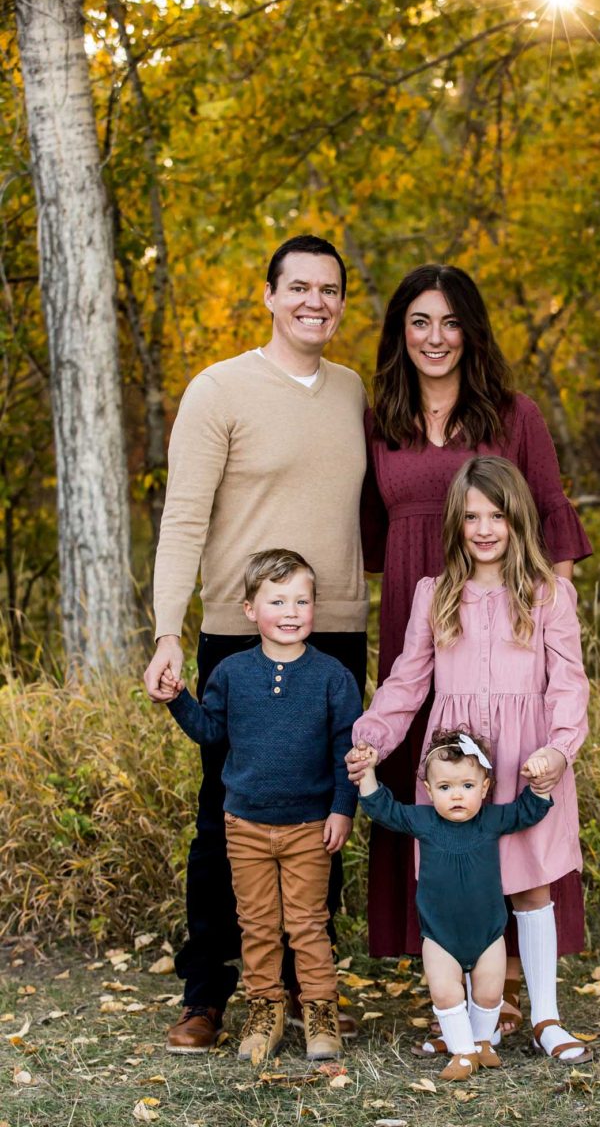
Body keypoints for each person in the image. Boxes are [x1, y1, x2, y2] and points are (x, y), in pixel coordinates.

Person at [144, 235, 369, 1054]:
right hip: (239, 640)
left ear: (343, 301)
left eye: (331, 289)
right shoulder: (219, 390)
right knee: (224, 816)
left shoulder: (353, 393)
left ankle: (311, 992)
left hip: (337, 634)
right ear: (269, 296)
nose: (316, 301)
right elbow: (184, 520)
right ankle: (208, 992)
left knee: (325, 820)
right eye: (299, 287)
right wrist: (169, 629)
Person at [360, 264, 592, 1033]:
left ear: (472, 330)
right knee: (441, 806)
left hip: (514, 624)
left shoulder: (512, 413)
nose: (435, 337)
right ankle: (455, 988)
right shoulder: (381, 414)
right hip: (424, 604)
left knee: (520, 847)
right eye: (420, 322)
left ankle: (521, 997)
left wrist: (548, 606)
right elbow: (364, 523)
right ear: (401, 330)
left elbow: (548, 513)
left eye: (451, 321)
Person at [350, 455, 592, 1064]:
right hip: (458, 766)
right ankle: (459, 1021)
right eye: (471, 517)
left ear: (518, 521)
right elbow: (407, 680)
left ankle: (545, 1018)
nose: (484, 529)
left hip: (527, 758)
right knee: (453, 886)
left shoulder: (547, 595)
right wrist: (374, 735)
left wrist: (560, 750)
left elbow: (568, 682)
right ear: (456, 523)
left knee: (532, 888)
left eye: (498, 515)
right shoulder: (437, 595)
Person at [160, 549, 361, 1064]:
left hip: (310, 826)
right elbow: (210, 731)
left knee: (308, 923)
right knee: (257, 925)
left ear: (316, 606)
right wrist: (178, 698)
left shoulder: (333, 677)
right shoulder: (231, 672)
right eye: (277, 600)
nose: (291, 611)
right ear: (250, 609)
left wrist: (343, 808)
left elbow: (346, 750)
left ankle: (318, 1010)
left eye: (302, 599)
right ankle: (264, 1010)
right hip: (245, 824)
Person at [354, 728, 552, 1080]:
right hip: (440, 935)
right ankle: (462, 1052)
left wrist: (539, 787)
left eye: (467, 786)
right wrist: (367, 774)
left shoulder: (491, 821)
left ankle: (481, 1042)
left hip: (488, 932)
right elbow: (384, 810)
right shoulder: (424, 821)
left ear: (485, 788)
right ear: (429, 791)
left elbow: (527, 812)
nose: (456, 796)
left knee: (490, 993)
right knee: (446, 993)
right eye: (445, 788)